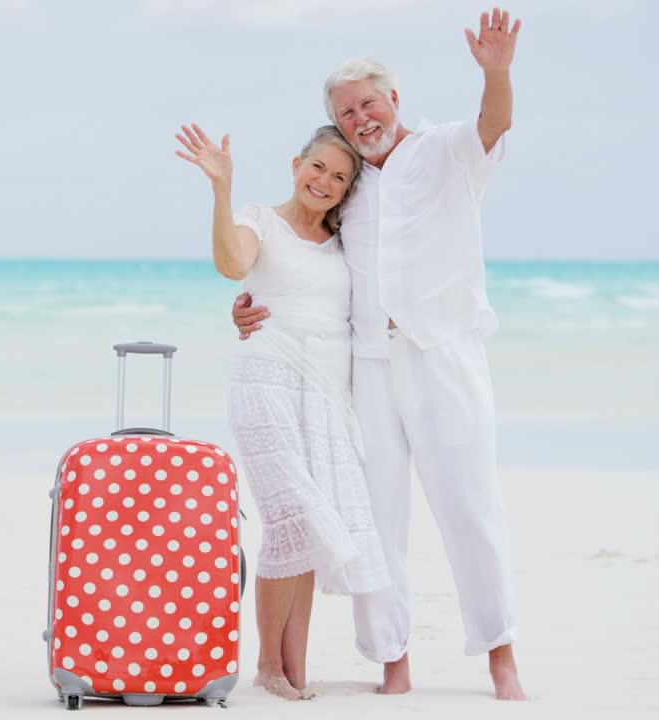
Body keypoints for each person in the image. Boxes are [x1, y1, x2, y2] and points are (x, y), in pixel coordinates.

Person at [231, 9, 527, 701]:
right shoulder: (349, 188)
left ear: (394, 100)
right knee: (378, 517)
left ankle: (500, 655)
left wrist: (498, 73)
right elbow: (298, 258)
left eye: (368, 103)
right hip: (368, 368)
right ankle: (392, 660)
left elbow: (495, 124)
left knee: (471, 506)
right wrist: (247, 301)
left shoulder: (447, 150)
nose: (361, 118)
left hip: (446, 355)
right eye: (346, 112)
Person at [175, 123, 390, 701]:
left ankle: (294, 666)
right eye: (318, 167)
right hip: (266, 379)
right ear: (297, 164)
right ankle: (268, 665)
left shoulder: (346, 245)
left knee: (314, 525)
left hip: (326, 395)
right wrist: (221, 188)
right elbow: (231, 262)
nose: (325, 181)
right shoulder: (259, 219)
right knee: (290, 515)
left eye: (340, 177)